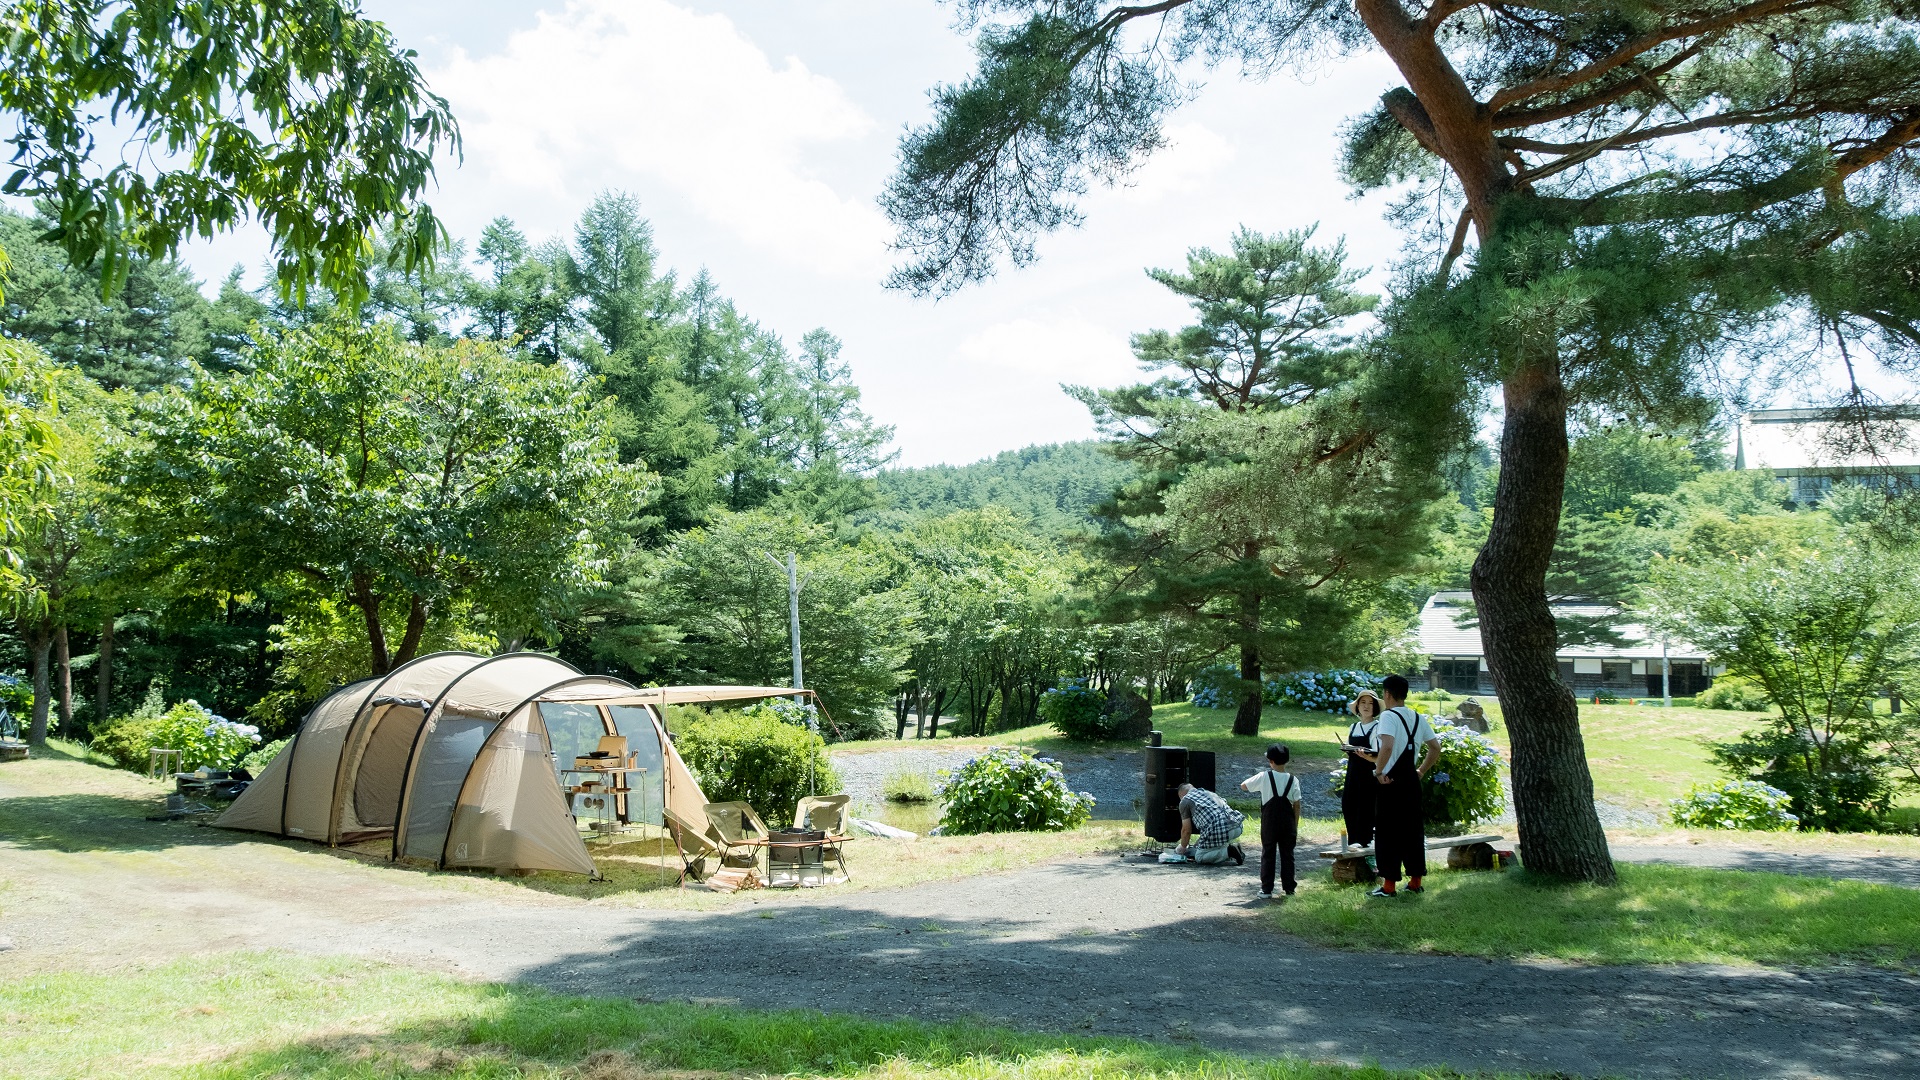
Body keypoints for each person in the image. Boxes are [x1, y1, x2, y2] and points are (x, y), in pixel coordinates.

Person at [1368, 674, 1442, 898]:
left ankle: (1389, 886)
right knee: (1412, 831)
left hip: (1390, 782)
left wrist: (1379, 771)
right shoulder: (1417, 717)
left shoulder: (1388, 716)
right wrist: (1421, 770)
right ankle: (1415, 882)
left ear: (1387, 694)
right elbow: (1435, 747)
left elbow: (1387, 746)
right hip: (1411, 780)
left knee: (1388, 832)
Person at [1240, 743, 1303, 898]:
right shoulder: (1293, 779)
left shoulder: (1264, 776)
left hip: (1270, 822)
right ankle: (1289, 888)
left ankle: (1267, 889)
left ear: (1271, 761)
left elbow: (1244, 786)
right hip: (1288, 823)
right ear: (1287, 760)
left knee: (1268, 853)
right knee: (1287, 855)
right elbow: (1297, 805)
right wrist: (1295, 825)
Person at [1340, 690, 1384, 849]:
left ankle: (1366, 845)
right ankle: (1353, 843)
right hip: (1352, 773)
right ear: (1358, 706)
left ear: (1375, 708)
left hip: (1368, 774)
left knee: (1366, 808)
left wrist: (1367, 757)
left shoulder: (1377, 727)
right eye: (1363, 703)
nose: (1366, 706)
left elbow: (1380, 755)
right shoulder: (1354, 727)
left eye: (1370, 703)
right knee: (1348, 804)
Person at [1174, 782, 1245, 865]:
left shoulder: (1185, 800)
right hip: (1237, 825)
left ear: (1181, 795)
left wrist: (1182, 847)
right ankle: (1235, 850)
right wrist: (1200, 842)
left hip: (1221, 830)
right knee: (1212, 844)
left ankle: (1230, 851)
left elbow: (1186, 830)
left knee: (1199, 856)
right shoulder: (1209, 793)